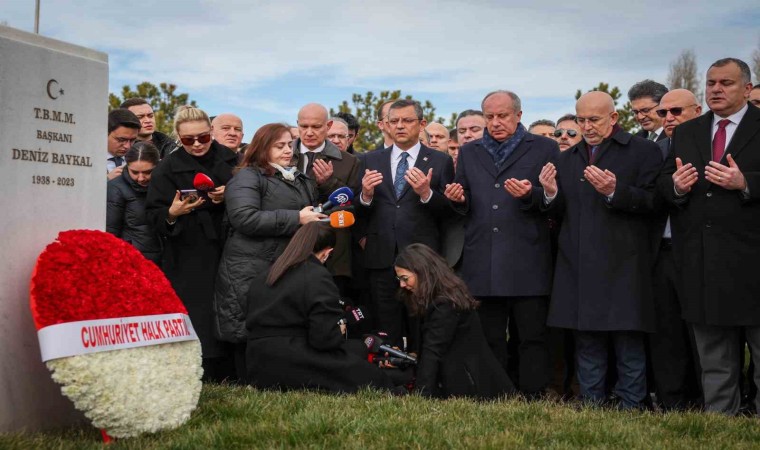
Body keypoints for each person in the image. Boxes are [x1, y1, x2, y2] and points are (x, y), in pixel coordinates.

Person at [541, 91, 662, 409]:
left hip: (625, 262)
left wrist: (615, 191)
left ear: (614, 117)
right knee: (587, 338)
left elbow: (656, 202)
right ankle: (591, 402)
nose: (586, 127)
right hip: (578, 261)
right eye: (581, 120)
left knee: (627, 339)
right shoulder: (567, 158)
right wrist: (550, 193)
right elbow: (560, 212)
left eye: (594, 120)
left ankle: (632, 403)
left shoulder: (643, 151)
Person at [659, 57, 760, 415]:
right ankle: (720, 418)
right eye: (711, 83)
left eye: (726, 83)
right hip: (702, 259)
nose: (716, 89)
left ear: (747, 88)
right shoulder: (688, 132)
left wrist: (745, 182)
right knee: (714, 353)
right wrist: (675, 185)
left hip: (752, 260)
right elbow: (663, 183)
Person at [444, 90, 558, 398]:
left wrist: (533, 194)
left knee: (531, 336)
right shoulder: (470, 151)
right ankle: (495, 393)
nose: (495, 122)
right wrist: (458, 198)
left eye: (502, 116)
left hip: (528, 256)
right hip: (483, 258)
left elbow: (557, 201)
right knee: (489, 335)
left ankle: (532, 393)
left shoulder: (544, 148)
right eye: (490, 117)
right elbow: (466, 199)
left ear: (518, 115)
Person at [214, 123, 323, 378]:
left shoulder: (299, 178)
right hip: (249, 266)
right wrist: (296, 218)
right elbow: (244, 218)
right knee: (245, 326)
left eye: (289, 145)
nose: (287, 150)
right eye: (279, 146)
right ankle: (245, 381)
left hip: (284, 262)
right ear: (263, 148)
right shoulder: (247, 177)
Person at [145, 105, 238, 382]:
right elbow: (153, 214)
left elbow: (254, 194)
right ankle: (202, 370)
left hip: (229, 242)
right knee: (198, 310)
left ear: (211, 132)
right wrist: (172, 213)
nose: (197, 144)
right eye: (188, 139)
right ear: (178, 137)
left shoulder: (233, 160)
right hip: (188, 249)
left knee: (231, 302)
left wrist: (231, 195)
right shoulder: (166, 168)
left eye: (203, 137)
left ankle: (235, 367)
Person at [246, 222, 395, 393]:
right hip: (291, 361)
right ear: (327, 252)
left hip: (258, 363)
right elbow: (324, 340)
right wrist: (338, 329)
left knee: (356, 349)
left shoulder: (265, 275)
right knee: (374, 376)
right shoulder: (317, 275)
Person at [357, 99, 455, 350]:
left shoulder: (440, 161)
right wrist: (365, 195)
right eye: (394, 121)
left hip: (422, 259)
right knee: (385, 325)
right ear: (386, 125)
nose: (400, 126)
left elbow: (450, 211)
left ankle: (421, 369)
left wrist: (426, 193)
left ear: (421, 124)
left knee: (421, 325)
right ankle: (389, 368)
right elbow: (360, 210)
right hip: (381, 257)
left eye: (407, 120)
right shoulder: (370, 160)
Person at [394, 243, 516, 399]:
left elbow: (433, 351)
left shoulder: (445, 304)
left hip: (469, 384)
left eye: (405, 278)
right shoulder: (439, 296)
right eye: (399, 279)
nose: (402, 284)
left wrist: (421, 396)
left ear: (422, 272)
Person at [647, 88, 703, 411]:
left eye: (676, 112)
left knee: (702, 331)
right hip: (661, 252)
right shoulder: (653, 150)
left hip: (699, 252)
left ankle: (708, 398)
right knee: (666, 331)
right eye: (663, 113)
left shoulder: (710, 145)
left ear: (697, 111)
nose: (669, 118)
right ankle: (671, 401)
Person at [106, 141, 162, 265]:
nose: (141, 178)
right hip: (133, 260)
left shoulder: (166, 184)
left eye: (147, 172)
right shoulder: (116, 188)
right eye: (135, 172)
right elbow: (111, 232)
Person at [107, 109, 140, 180]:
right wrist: (106, 180)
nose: (127, 146)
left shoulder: (140, 158)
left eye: (132, 140)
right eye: (121, 140)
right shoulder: (89, 158)